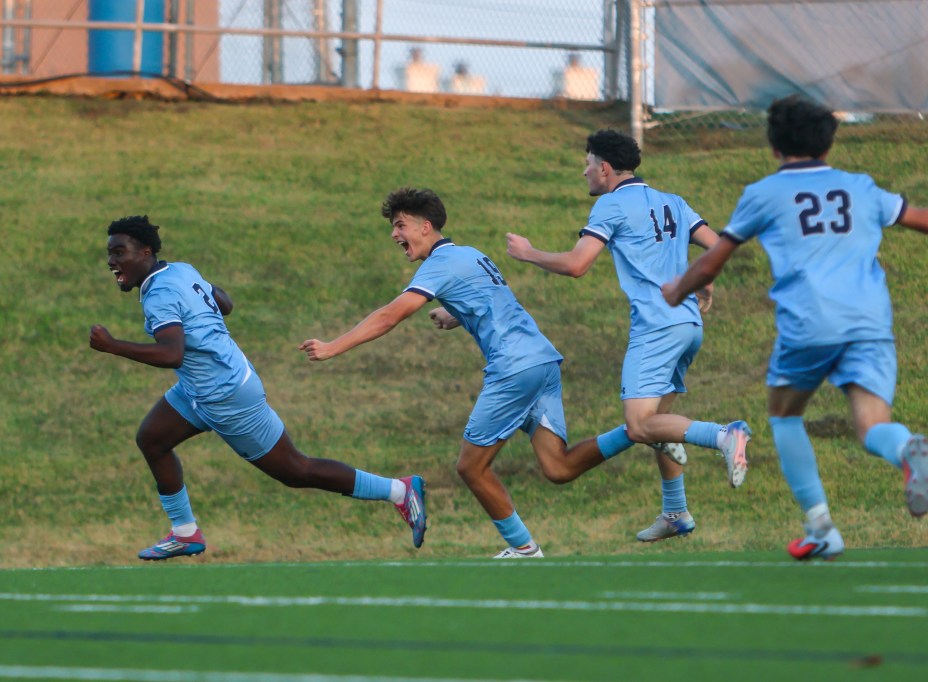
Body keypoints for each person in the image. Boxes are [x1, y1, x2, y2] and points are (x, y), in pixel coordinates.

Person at [660, 94, 928, 560]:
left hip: (809, 322)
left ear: (774, 146)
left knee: (784, 414)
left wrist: (677, 290)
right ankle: (904, 450)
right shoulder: (860, 186)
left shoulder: (766, 193)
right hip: (870, 323)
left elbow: (714, 259)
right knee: (873, 425)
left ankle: (821, 527)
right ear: (829, 144)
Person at [300, 188, 647, 557]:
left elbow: (390, 315)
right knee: (558, 467)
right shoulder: (470, 254)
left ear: (425, 226)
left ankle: (524, 549)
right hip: (542, 362)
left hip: (513, 369)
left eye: (400, 225)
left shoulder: (438, 264)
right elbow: (492, 301)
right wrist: (456, 313)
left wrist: (333, 346)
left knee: (471, 466)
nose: (394, 234)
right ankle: (641, 431)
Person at [90, 216, 426, 560]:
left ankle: (399, 491)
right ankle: (185, 533)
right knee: (152, 439)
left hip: (226, 394)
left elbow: (171, 354)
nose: (112, 260)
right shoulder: (179, 270)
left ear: (146, 252)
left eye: (120, 252)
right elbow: (225, 303)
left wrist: (113, 346)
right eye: (110, 253)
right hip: (199, 388)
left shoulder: (160, 294)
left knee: (296, 470)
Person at [506, 130, 752, 544]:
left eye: (587, 164)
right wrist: (703, 280)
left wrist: (528, 253)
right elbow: (717, 245)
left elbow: (577, 265)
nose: (584, 172)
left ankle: (725, 435)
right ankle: (675, 511)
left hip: (656, 328)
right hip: (688, 326)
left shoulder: (611, 205)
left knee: (639, 426)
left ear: (604, 168)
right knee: (661, 427)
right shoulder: (673, 201)